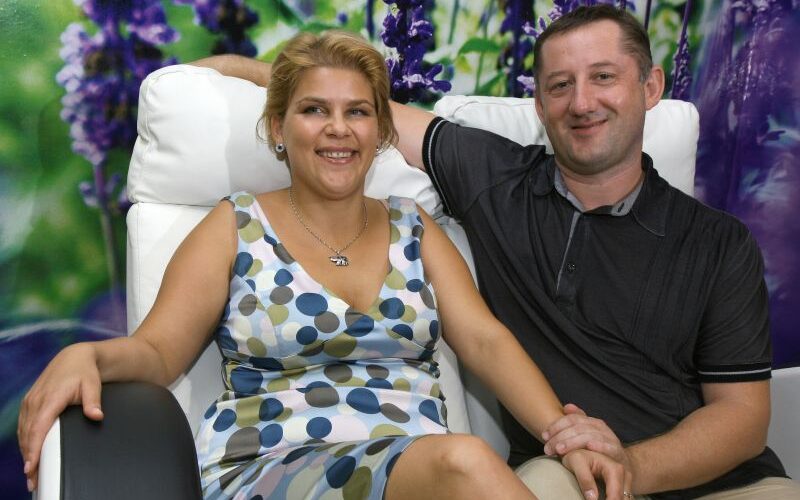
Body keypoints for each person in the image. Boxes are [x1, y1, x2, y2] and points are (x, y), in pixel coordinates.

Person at [184, 6, 800, 499]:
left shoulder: (719, 242)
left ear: (651, 86)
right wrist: (239, 71)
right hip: (564, 474)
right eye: (560, 85)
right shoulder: (493, 177)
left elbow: (742, 419)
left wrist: (631, 468)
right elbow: (355, 113)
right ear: (539, 104)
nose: (582, 102)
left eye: (604, 77)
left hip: (718, 482)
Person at [18, 31, 630, 500]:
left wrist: (564, 434)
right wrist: (88, 356)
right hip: (272, 470)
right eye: (314, 110)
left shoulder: (414, 227)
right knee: (468, 462)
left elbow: (486, 341)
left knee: (461, 464)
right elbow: (157, 352)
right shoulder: (234, 225)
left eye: (358, 112)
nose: (338, 129)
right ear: (278, 128)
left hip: (414, 472)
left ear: (380, 130)